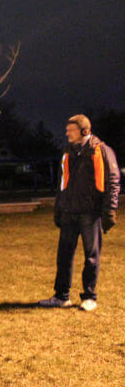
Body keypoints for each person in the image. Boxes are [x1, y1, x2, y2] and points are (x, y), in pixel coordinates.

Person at [39, 114, 120, 312]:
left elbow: (113, 181)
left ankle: (89, 297)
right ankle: (61, 296)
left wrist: (109, 210)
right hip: (69, 211)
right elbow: (62, 183)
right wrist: (59, 207)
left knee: (91, 256)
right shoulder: (68, 152)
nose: (67, 133)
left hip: (90, 213)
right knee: (64, 255)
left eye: (71, 130)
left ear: (84, 131)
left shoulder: (101, 151)